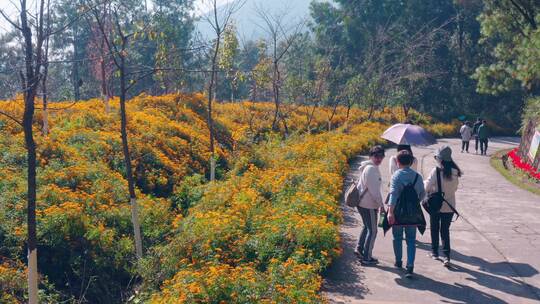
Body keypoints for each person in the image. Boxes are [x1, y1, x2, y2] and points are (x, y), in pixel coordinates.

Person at [387, 150, 425, 278]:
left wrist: (390, 212)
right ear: (411, 161)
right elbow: (422, 194)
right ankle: (410, 266)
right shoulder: (417, 176)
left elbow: (393, 195)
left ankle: (398, 261)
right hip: (412, 214)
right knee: (411, 240)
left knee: (397, 237)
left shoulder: (396, 176)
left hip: (398, 212)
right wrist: (413, 203)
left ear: (397, 162)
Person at [424, 146, 462, 267]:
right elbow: (454, 188)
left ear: (440, 159)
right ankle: (447, 256)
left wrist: (425, 182)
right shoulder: (456, 172)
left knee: (434, 228)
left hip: (436, 205)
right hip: (449, 206)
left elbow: (427, 187)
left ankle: (435, 252)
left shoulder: (436, 171)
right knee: (445, 231)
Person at [354, 145, 385, 265]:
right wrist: (381, 205)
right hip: (368, 204)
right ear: (371, 156)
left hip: (362, 203)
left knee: (367, 227)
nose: (379, 159)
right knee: (373, 231)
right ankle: (367, 257)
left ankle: (359, 249)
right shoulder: (371, 169)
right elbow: (374, 191)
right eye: (376, 156)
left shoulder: (369, 167)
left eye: (381, 157)